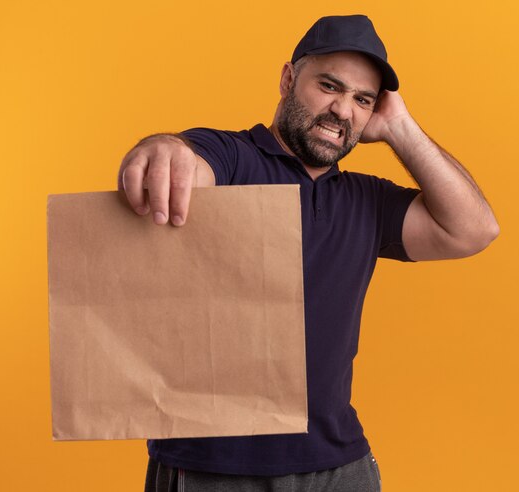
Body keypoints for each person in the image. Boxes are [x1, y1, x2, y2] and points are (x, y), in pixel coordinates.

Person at [118, 14, 499, 492]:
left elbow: (475, 229)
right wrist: (163, 151)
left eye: (362, 99)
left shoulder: (368, 200)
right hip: (213, 469)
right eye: (330, 86)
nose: (343, 111)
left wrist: (401, 127)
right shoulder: (233, 157)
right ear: (288, 79)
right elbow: (188, 166)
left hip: (339, 468)